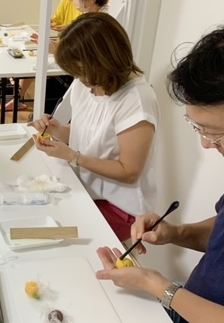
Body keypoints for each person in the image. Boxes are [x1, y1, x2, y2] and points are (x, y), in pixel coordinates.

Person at [95, 15, 224, 323]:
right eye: (198, 129)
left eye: (217, 133)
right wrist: (175, 233)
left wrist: (158, 287)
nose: (207, 145)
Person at [29, 13, 159, 242]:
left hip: (118, 205)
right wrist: (56, 130)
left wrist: (72, 156)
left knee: (52, 236)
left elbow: (129, 172)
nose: (78, 78)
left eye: (81, 70)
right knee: (34, 213)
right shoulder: (85, 85)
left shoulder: (136, 99)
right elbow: (82, 134)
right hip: (83, 188)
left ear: (104, 61)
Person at [5, 0, 83, 112]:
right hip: (63, 46)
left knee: (37, 64)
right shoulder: (67, 2)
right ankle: (19, 98)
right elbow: (56, 19)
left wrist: (68, 28)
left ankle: (34, 105)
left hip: (71, 51)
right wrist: (51, 22)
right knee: (34, 60)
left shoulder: (82, 5)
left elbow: (81, 30)